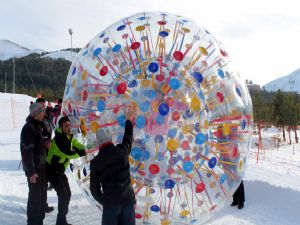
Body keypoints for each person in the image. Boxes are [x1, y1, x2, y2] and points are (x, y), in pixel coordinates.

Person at [90, 106, 136, 225]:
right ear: (110, 138)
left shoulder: (95, 162)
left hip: (111, 203)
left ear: (98, 142)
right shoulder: (122, 151)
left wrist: (105, 200)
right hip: (127, 200)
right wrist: (128, 121)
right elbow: (128, 138)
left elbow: (94, 189)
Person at [46, 116, 86, 225]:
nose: (68, 127)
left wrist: (85, 148)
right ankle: (61, 221)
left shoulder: (69, 136)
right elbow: (67, 153)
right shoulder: (59, 138)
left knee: (67, 194)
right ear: (61, 127)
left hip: (59, 170)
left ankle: (61, 220)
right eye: (66, 126)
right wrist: (80, 153)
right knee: (63, 194)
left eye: (69, 125)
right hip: (51, 170)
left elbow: (76, 144)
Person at [20, 102, 47, 225]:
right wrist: (31, 173)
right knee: (35, 201)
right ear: (36, 113)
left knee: (41, 200)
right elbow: (26, 153)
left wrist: (45, 143)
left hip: (41, 168)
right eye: (42, 111)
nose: (44, 113)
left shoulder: (37, 126)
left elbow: (37, 147)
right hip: (35, 171)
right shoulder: (28, 128)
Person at [36, 98, 55, 213]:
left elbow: (50, 128)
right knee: (39, 181)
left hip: (47, 149)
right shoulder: (36, 121)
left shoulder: (47, 116)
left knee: (44, 177)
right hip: (39, 153)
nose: (43, 107)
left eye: (43, 106)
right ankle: (37, 206)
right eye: (41, 106)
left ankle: (43, 204)